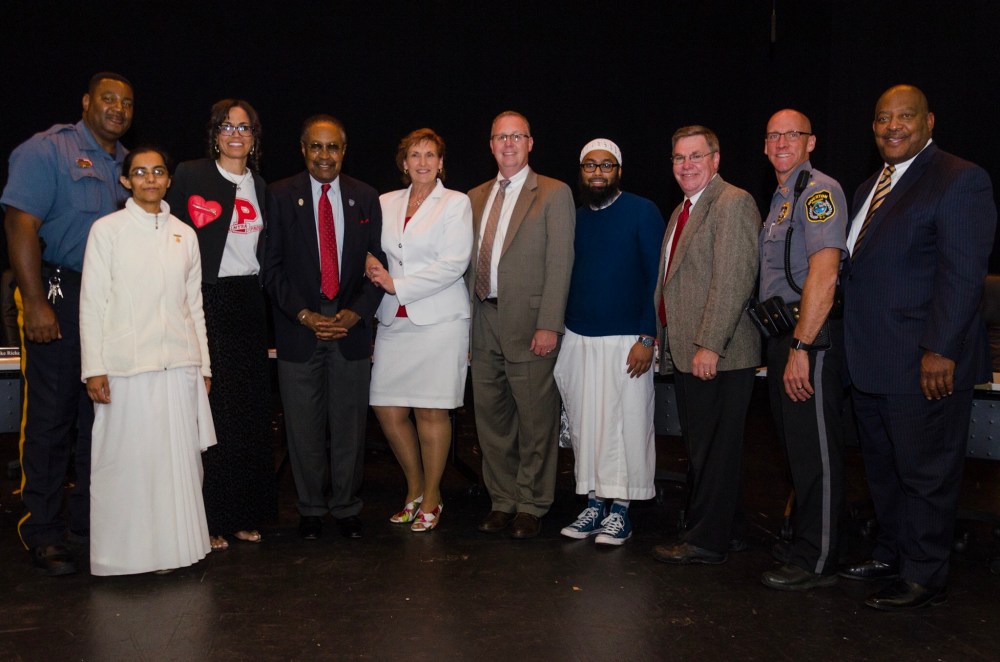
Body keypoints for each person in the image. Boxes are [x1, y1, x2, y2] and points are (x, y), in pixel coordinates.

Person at [839, 85, 997, 611]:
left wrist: (940, 350)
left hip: (925, 363)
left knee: (925, 474)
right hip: (872, 360)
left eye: (905, 116)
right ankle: (892, 553)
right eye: (883, 118)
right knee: (884, 471)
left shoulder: (960, 179)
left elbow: (963, 275)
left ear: (929, 121)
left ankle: (925, 573)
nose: (893, 126)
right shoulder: (869, 187)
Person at [1, 72, 134, 576]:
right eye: (108, 98)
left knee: (98, 416)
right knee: (50, 416)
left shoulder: (129, 165)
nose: (118, 108)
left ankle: (86, 522)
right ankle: (42, 529)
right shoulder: (47, 150)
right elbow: (20, 224)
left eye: (127, 102)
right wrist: (36, 302)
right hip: (57, 288)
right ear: (86, 102)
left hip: (110, 299)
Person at [81, 147, 215, 575]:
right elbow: (92, 302)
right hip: (126, 368)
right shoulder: (107, 231)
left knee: (177, 467)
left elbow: (194, 305)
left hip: (179, 366)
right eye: (140, 172)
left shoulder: (184, 234)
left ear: (169, 180)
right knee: (126, 466)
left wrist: (203, 365)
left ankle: (174, 552)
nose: (150, 179)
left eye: (158, 171)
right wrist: (93, 367)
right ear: (126, 181)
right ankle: (124, 557)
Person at [263, 115, 385, 540]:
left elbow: (379, 265)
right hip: (298, 326)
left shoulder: (365, 197)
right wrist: (304, 315)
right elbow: (271, 268)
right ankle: (311, 509)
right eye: (316, 146)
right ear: (303, 150)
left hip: (350, 327)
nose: (324, 155)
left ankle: (347, 507)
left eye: (333, 146)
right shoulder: (279, 195)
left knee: (350, 424)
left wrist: (356, 313)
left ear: (344, 151)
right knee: (302, 426)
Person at [165, 99, 276, 551]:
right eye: (227, 127)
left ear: (254, 137)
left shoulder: (260, 185)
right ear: (214, 134)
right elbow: (167, 236)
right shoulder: (190, 175)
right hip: (205, 300)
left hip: (248, 301)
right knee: (212, 413)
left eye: (244, 128)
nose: (236, 134)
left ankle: (244, 515)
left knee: (249, 412)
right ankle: (209, 519)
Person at [651, 125, 761, 565]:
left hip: (718, 354)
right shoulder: (683, 210)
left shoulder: (732, 202)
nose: (686, 165)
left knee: (713, 451)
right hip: (689, 350)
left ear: (715, 160)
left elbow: (733, 279)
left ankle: (705, 541)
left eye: (696, 156)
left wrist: (710, 345)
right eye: (679, 158)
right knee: (709, 449)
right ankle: (729, 531)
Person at [467, 111, 575, 540]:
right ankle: (502, 500)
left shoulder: (553, 192)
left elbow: (560, 263)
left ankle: (531, 504)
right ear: (490, 145)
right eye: (500, 137)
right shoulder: (473, 197)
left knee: (535, 421)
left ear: (530, 143)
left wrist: (550, 323)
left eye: (517, 136)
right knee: (491, 420)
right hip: (482, 318)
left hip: (531, 324)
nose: (508, 144)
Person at [756, 110, 848, 590]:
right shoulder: (781, 197)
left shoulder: (818, 192)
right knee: (795, 449)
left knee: (816, 453)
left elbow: (825, 274)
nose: (781, 142)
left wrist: (801, 347)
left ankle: (819, 558)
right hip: (783, 336)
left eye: (791, 134)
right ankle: (805, 543)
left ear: (810, 142)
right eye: (773, 135)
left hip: (809, 337)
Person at [554, 139, 662, 545]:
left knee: (625, 426)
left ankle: (621, 511)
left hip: (628, 340)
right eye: (590, 165)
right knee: (587, 427)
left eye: (606, 165)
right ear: (581, 171)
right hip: (579, 338)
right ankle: (594, 504)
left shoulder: (642, 211)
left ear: (619, 171)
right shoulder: (575, 217)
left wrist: (647, 336)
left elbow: (657, 278)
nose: (597, 173)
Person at [365, 129, 473, 532]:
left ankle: (431, 497)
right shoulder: (385, 201)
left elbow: (454, 264)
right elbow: (367, 245)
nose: (423, 162)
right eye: (415, 155)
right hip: (393, 320)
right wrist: (369, 262)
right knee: (387, 408)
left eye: (430, 155)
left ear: (441, 163)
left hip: (440, 321)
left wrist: (399, 285)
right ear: (404, 162)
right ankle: (414, 488)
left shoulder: (456, 203)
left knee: (431, 410)